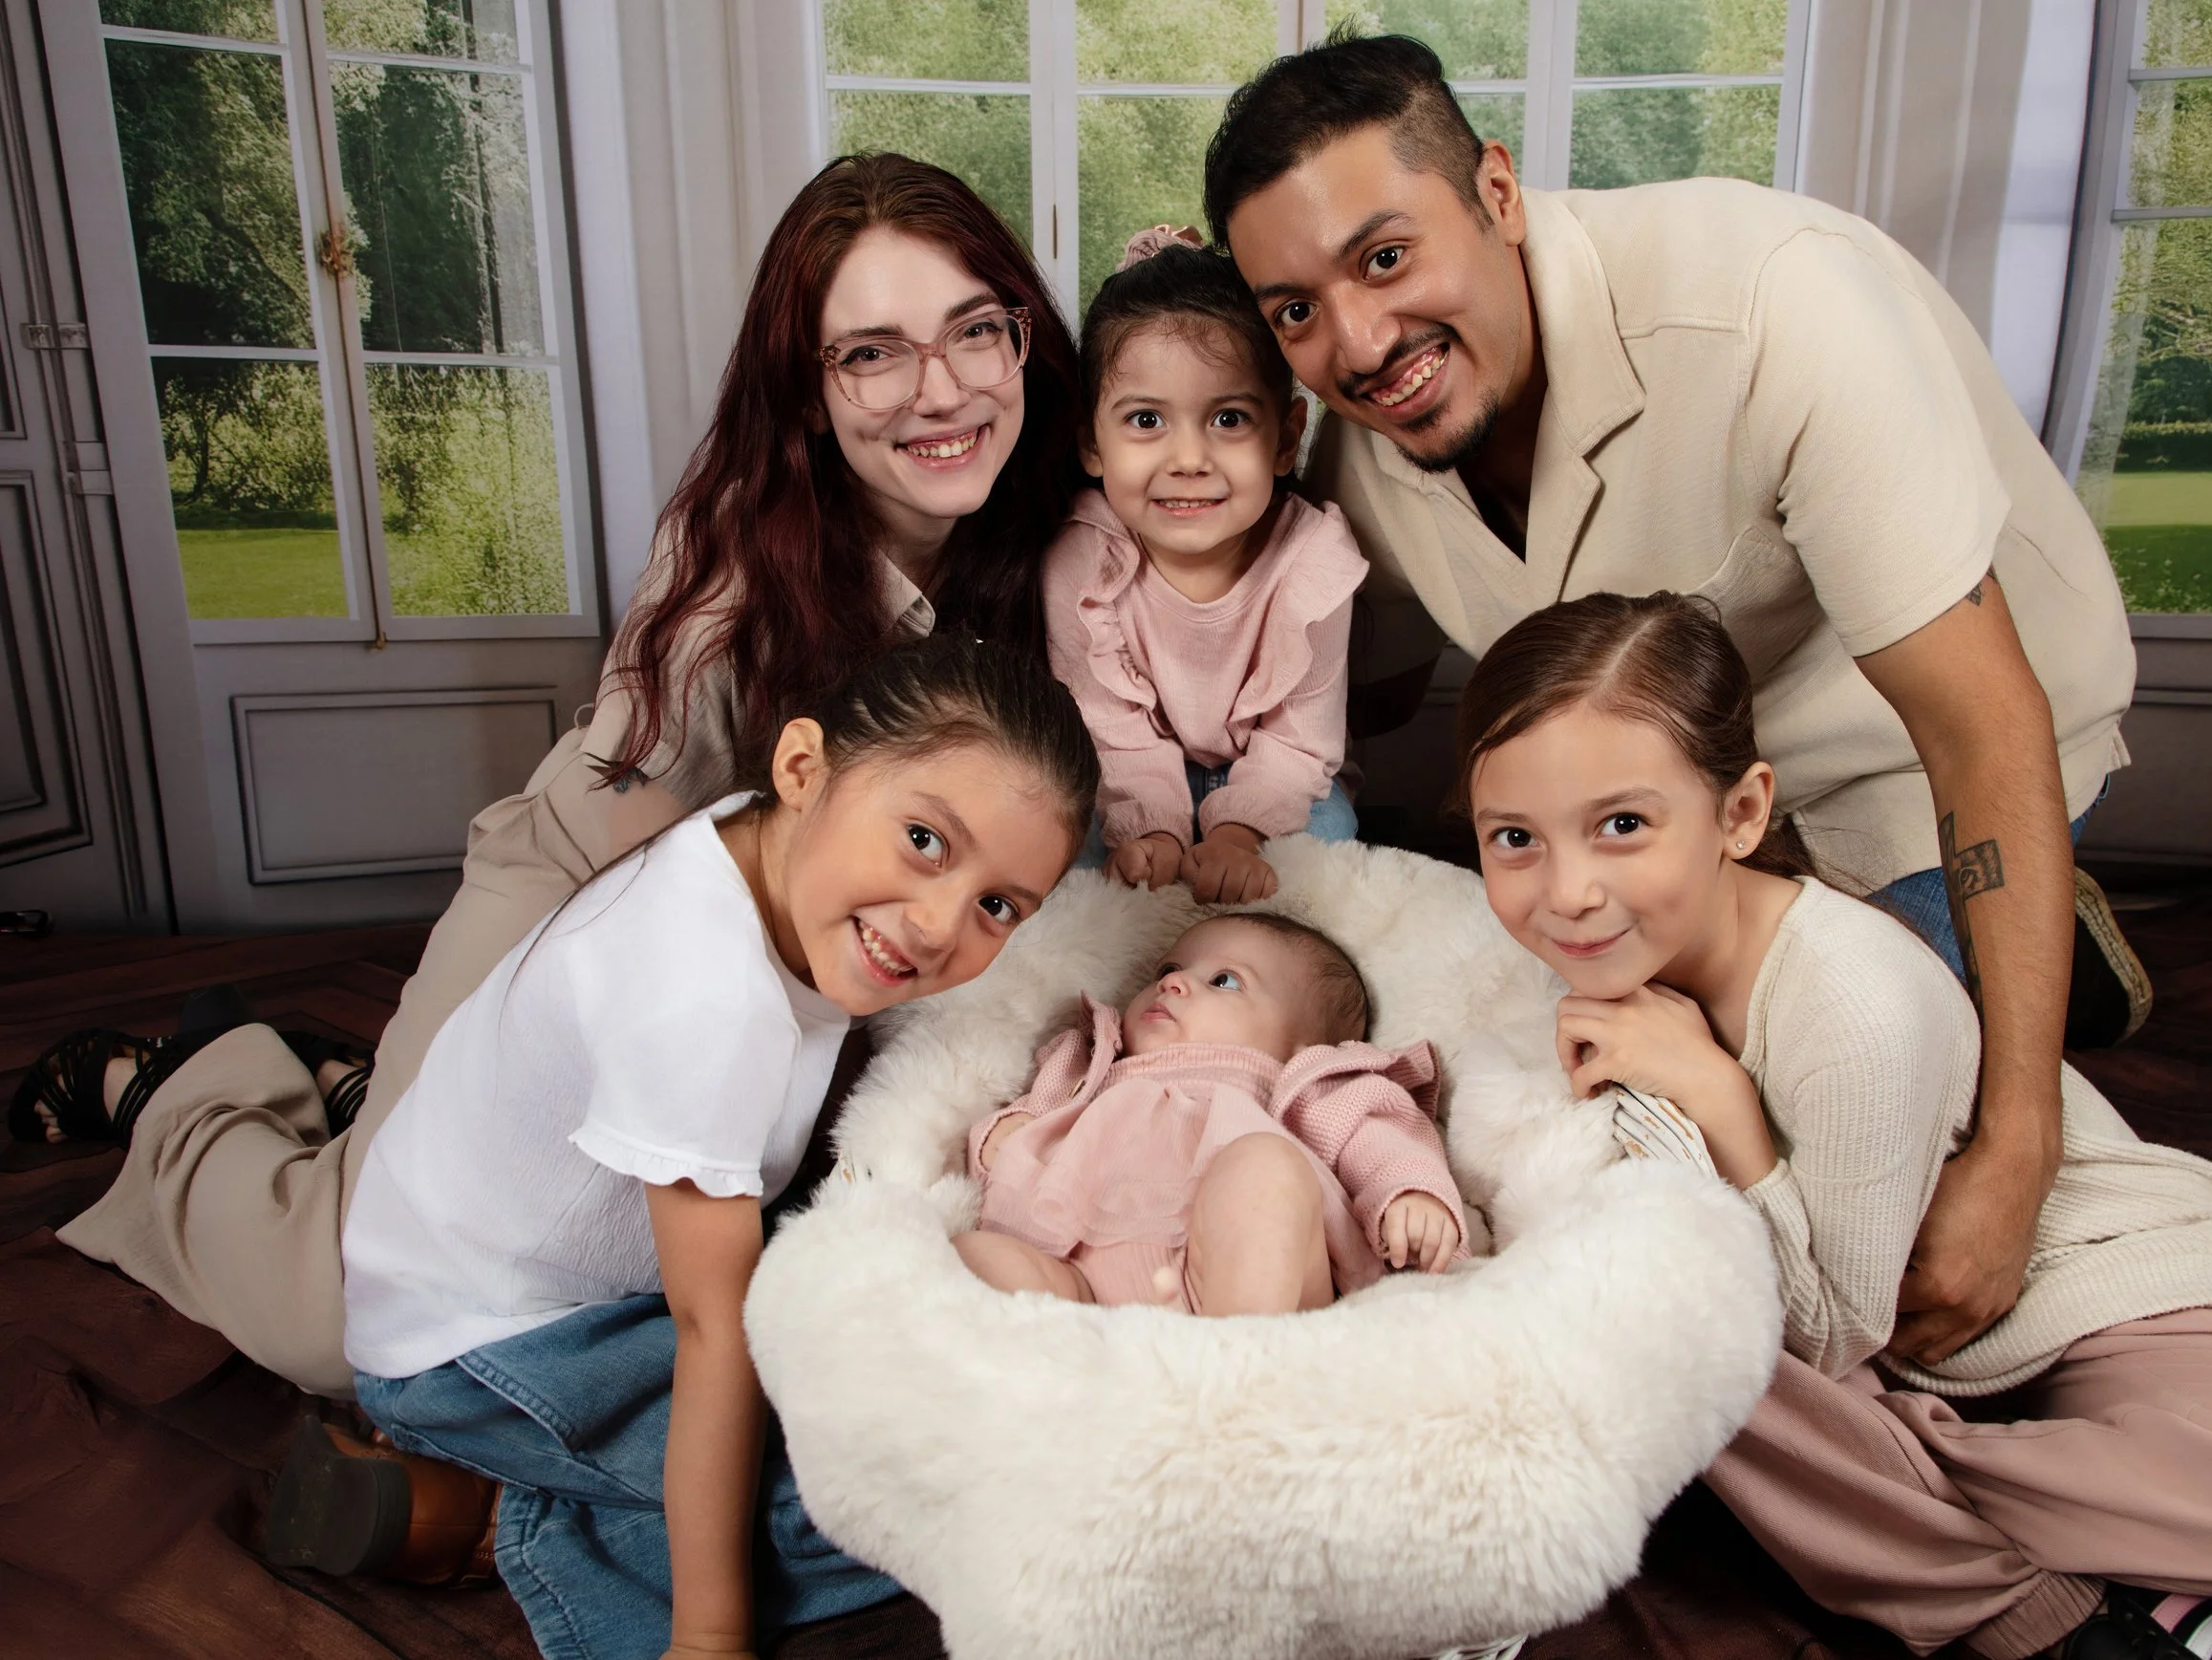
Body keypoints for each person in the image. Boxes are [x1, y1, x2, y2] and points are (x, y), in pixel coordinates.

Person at [27, 154, 1083, 1398]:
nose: (941, 388)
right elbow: (651, 880)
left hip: (822, 957)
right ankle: (187, 1087)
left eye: (975, 331)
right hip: (594, 895)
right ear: (804, 393)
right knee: (334, 1326)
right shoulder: (738, 565)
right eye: (872, 353)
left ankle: (352, 1091)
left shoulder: (1060, 528)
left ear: (1025, 338)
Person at [1203, 32, 2147, 1369]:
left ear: (1499, 191)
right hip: (1653, 816)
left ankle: (2025, 972)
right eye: (1293, 308)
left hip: (1904, 771)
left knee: (1862, 1191)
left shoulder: (1776, 307)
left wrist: (2020, 1144)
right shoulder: (1366, 441)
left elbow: (1978, 730)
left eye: (1385, 255)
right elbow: (1355, 688)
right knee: (1614, 1108)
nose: (1357, 340)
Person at [1455, 592, 2212, 1660]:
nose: (1567, 892)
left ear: (1741, 815)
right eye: (1515, 839)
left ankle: (1934, 1533)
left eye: (1623, 825)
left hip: (2078, 1290)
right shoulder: (1604, 962)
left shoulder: (1853, 1005)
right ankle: (2081, 1590)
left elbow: (1837, 1333)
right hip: (1894, 1351)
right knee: (1654, 1310)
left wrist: (1720, 1103)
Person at [296, 636, 1098, 1660]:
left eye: (998, 907)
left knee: (896, 1413)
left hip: (561, 1283)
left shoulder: (758, 847)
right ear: (802, 768)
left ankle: (506, 1496)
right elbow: (714, 1329)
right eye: (924, 841)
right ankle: (497, 1519)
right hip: (474, 1349)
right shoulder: (698, 1001)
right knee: (904, 1498)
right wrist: (711, 1636)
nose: (942, 926)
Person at [1046, 226, 1370, 906]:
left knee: (1331, 828)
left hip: (1270, 773)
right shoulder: (1082, 559)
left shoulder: (1314, 564)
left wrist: (1240, 834)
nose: (1188, 458)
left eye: (1227, 419)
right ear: (1091, 444)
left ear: (1286, 439)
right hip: (1123, 771)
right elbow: (1107, 725)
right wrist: (1152, 830)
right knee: (1066, 847)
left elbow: (1301, 740)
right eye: (1144, 421)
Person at [955, 913, 1466, 1314]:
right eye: (1170, 971)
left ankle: (1235, 1358)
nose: (1174, 984)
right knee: (976, 1255)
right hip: (1085, 1290)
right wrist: (1009, 1130)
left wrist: (1411, 1192)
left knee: (1266, 1167)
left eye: (1224, 981)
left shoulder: (1304, 1086)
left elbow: (1381, 1139)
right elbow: (1035, 1119)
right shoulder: (1095, 1062)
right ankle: (1079, 1376)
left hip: (1250, 1289)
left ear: (1304, 1045)